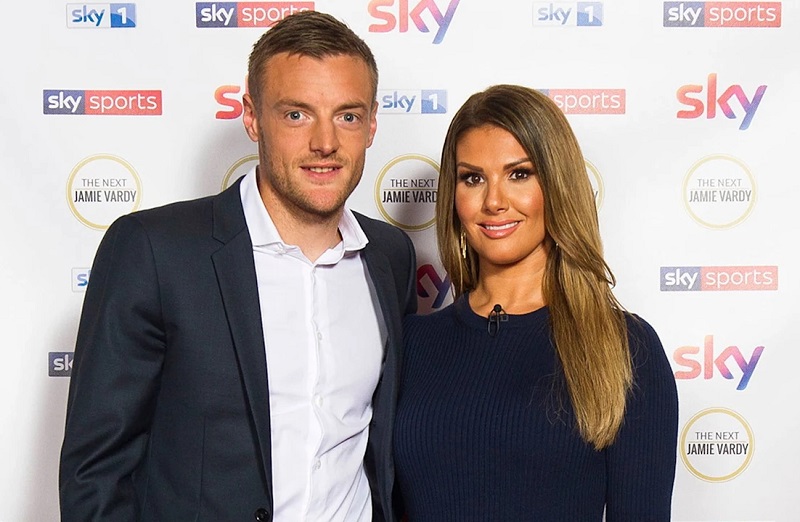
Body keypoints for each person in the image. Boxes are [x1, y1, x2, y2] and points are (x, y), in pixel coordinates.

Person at [59, 11, 416, 522]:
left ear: (372, 123)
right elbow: (95, 473)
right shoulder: (155, 251)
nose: (325, 142)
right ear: (252, 117)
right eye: (296, 114)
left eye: (348, 116)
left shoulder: (390, 256)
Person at [394, 84, 678, 521]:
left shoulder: (625, 348)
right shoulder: (412, 343)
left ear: (557, 184)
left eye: (519, 174)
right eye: (473, 178)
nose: (493, 201)